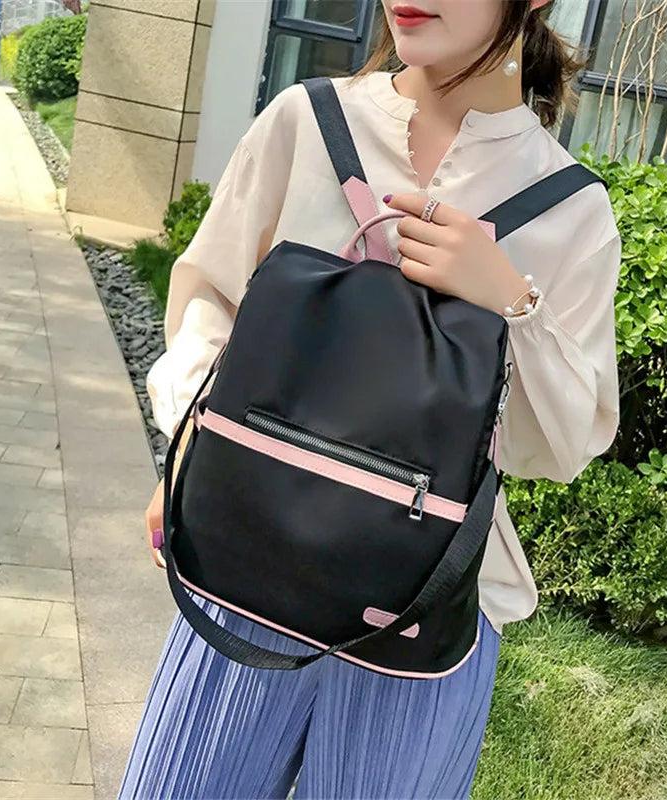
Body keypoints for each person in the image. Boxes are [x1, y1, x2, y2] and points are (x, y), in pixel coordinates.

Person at [119, 1, 621, 797]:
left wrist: (510, 300)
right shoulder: (307, 122)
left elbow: (555, 448)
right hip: (251, 564)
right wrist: (193, 442)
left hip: (423, 612)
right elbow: (212, 296)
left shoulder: (568, 205)